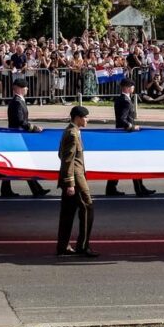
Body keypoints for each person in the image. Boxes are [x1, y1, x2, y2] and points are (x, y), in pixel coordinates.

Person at [56, 105, 97, 257]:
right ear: (78, 118)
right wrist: (70, 183)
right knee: (87, 208)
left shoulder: (71, 131)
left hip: (72, 178)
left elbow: (61, 154)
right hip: (75, 179)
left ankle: (63, 246)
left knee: (68, 213)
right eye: (85, 117)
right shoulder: (72, 134)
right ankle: (83, 246)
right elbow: (67, 160)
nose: (87, 120)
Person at [106, 78, 155, 197]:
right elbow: (122, 119)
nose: (133, 88)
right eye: (132, 86)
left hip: (121, 135)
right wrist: (132, 127)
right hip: (126, 135)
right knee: (134, 161)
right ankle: (139, 189)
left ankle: (111, 188)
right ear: (128, 88)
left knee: (118, 163)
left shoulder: (120, 99)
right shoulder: (126, 101)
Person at [3, 78, 51, 198]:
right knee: (22, 163)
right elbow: (20, 121)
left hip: (17, 136)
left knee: (18, 164)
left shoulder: (19, 101)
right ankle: (35, 189)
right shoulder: (17, 102)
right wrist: (33, 128)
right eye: (25, 87)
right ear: (19, 88)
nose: (27, 89)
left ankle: (34, 189)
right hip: (17, 137)